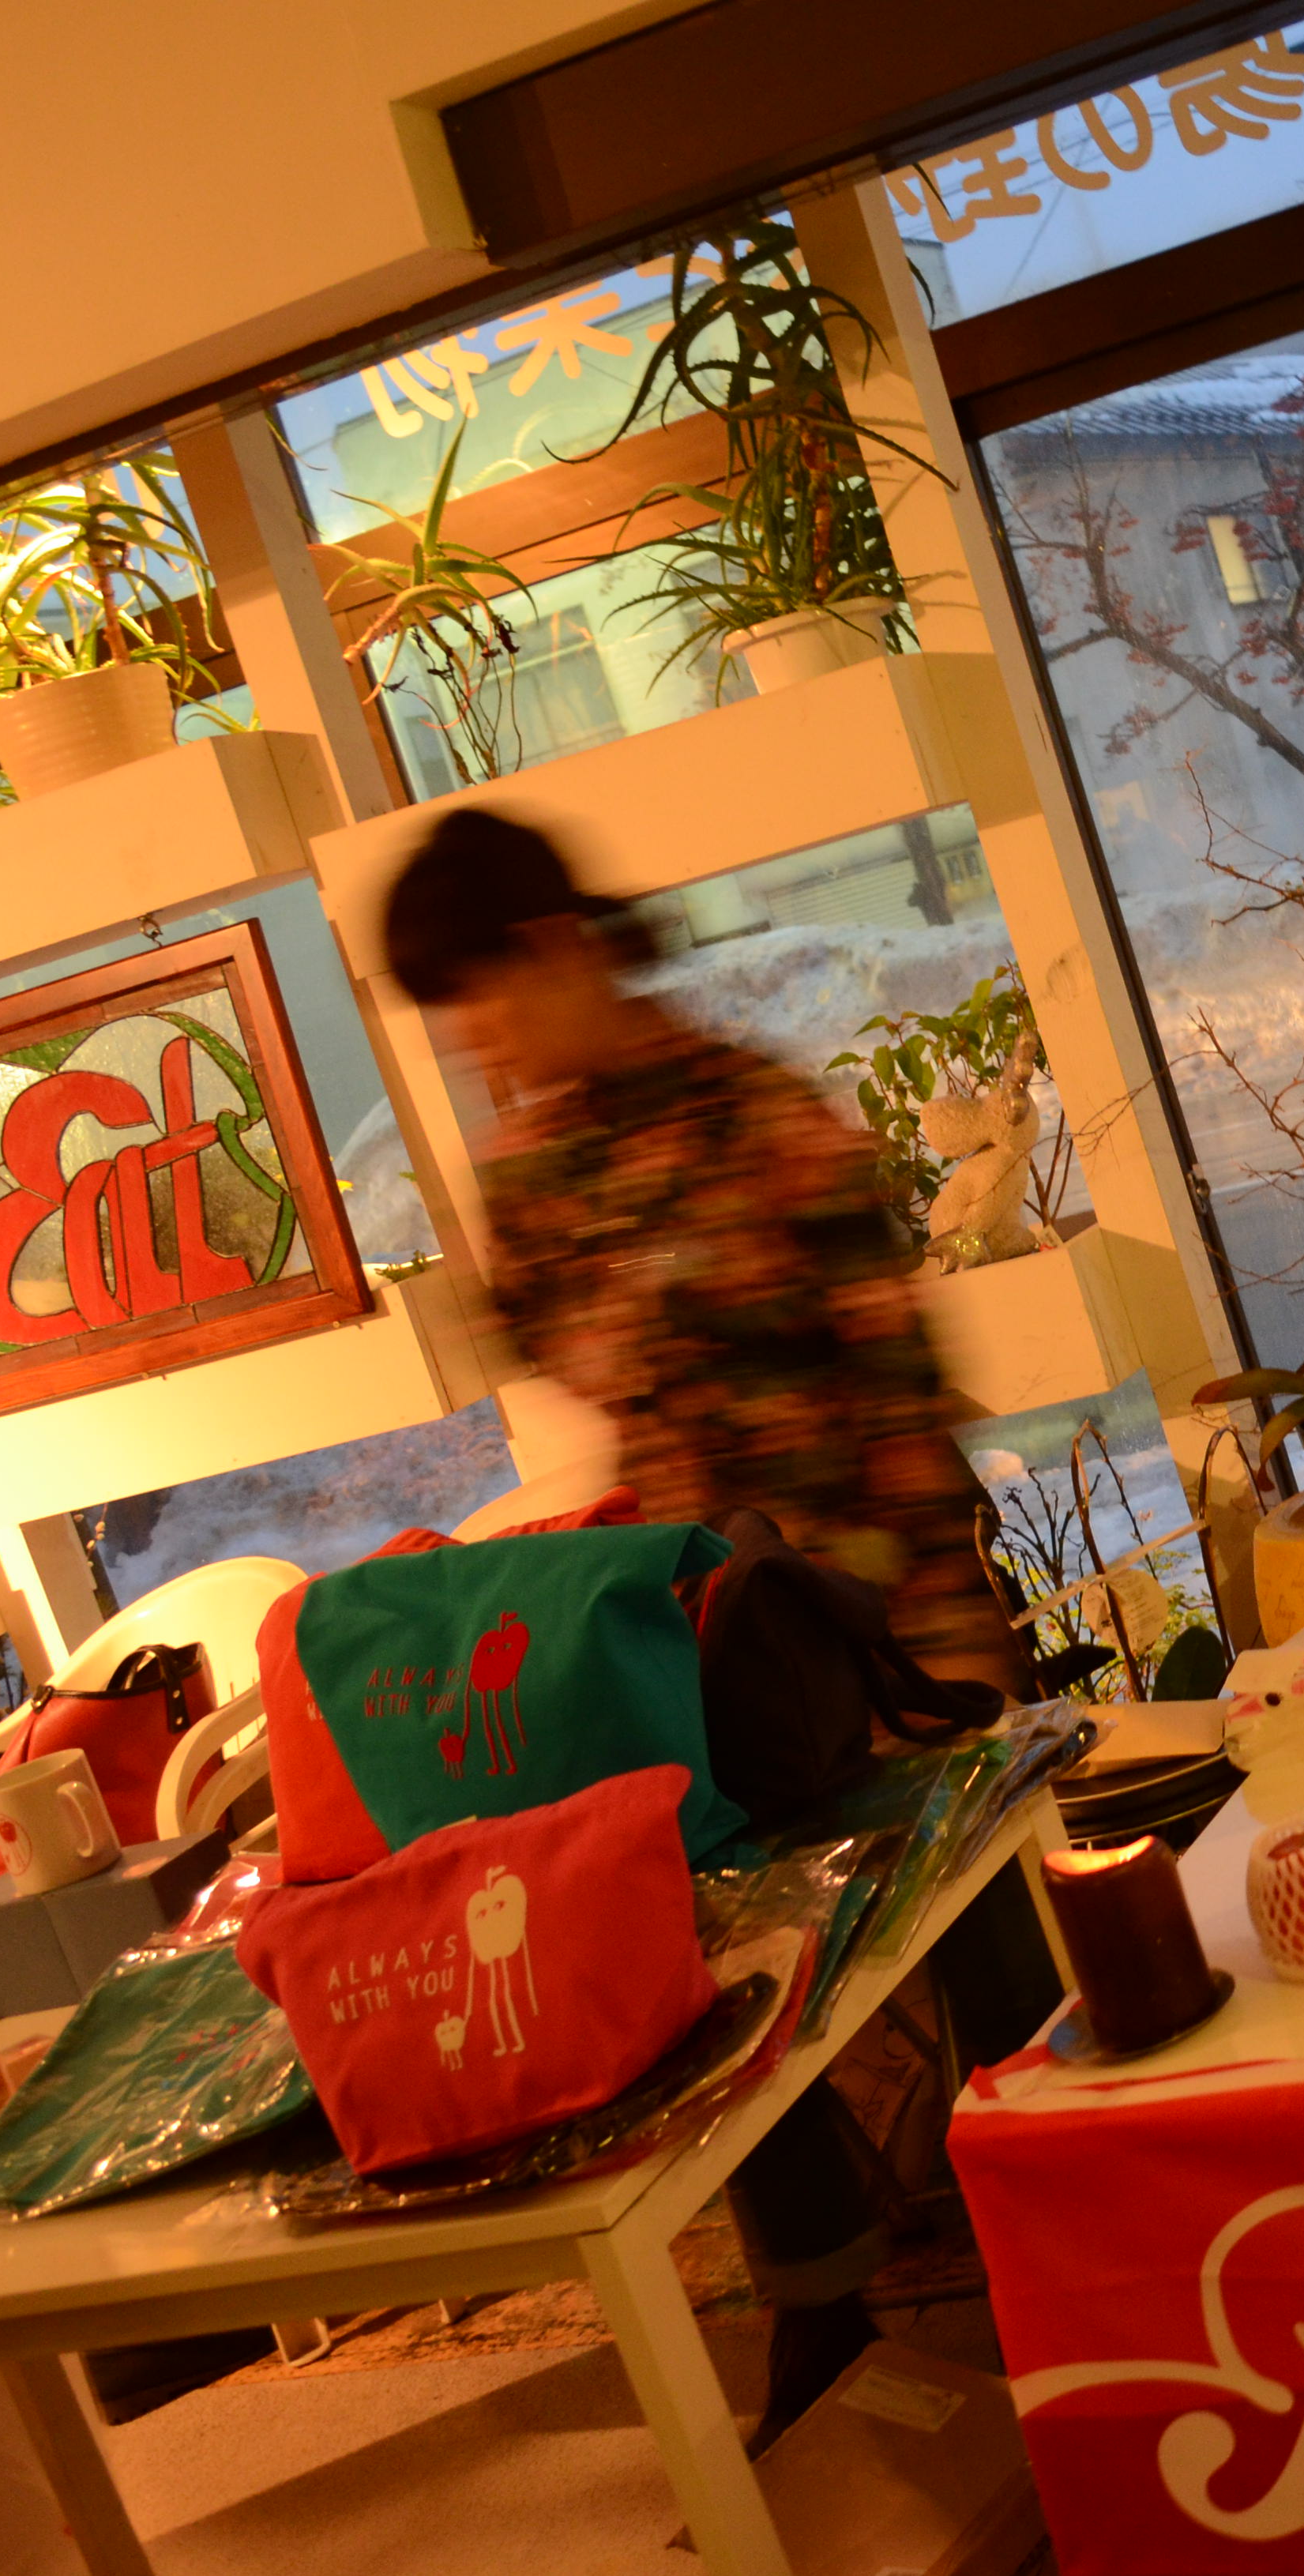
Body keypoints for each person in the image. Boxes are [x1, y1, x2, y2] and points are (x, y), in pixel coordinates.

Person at [380, 808, 1030, 2428]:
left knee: (980, 1930)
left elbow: (897, 1394)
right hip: (688, 1623)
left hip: (863, 1608)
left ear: (552, 950)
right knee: (712, 1963)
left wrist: (947, 1650)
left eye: (486, 1012)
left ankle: (1072, 2222)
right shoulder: (537, 1172)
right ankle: (823, 2308)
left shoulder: (765, 1121)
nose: (482, 1056)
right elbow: (543, 1338)